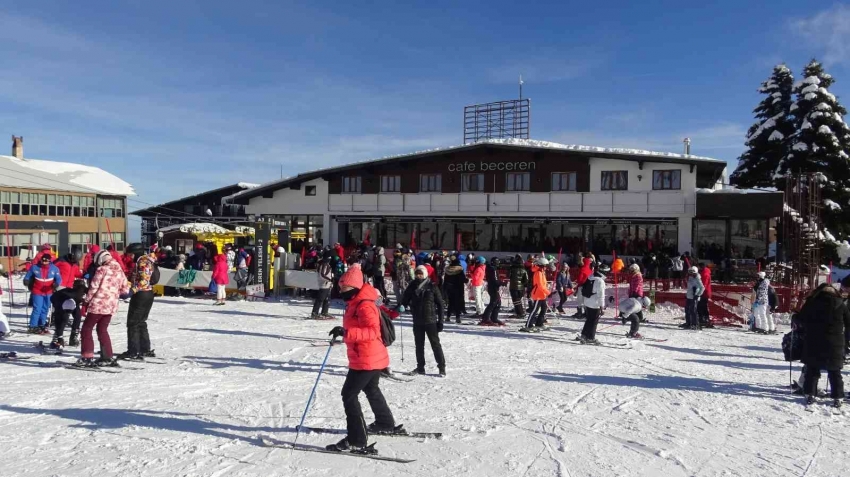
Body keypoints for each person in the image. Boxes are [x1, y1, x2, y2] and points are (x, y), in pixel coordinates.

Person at [325, 268, 400, 453]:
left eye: (345, 288)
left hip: (367, 358)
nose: (341, 291)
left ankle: (356, 439)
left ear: (355, 287)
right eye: (341, 287)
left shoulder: (364, 305)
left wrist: (347, 333)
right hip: (368, 356)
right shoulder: (355, 302)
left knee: (349, 394)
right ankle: (385, 422)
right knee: (371, 388)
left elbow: (373, 331)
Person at [796, 277, 850, 408]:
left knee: (812, 369)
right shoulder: (840, 303)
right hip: (835, 342)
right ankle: (838, 397)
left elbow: (801, 319)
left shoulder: (811, 302)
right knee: (834, 371)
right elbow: (849, 322)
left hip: (813, 340)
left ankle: (810, 394)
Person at [74, 251, 130, 367]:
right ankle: (107, 356)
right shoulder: (119, 270)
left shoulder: (102, 270)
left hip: (98, 304)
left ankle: (87, 357)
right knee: (102, 329)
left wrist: (86, 301)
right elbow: (125, 290)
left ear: (100, 259)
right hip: (111, 306)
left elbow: (93, 288)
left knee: (86, 329)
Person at [402, 265, 446, 375]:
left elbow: (440, 304)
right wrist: (401, 306)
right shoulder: (412, 286)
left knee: (435, 345)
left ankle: (441, 367)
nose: (418, 276)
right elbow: (404, 300)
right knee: (419, 345)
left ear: (425, 274)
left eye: (421, 273)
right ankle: (420, 368)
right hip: (417, 321)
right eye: (417, 273)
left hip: (430, 321)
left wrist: (440, 321)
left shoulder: (432, 286)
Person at [119, 243, 156, 361]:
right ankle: (144, 349)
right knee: (141, 322)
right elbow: (136, 277)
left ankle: (133, 351)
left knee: (133, 323)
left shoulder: (143, 262)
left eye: (130, 254)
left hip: (142, 295)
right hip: (147, 294)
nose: (129, 257)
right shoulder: (144, 261)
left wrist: (132, 290)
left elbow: (145, 280)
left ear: (135, 253)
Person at [23, 254, 62, 334]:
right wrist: (26, 280)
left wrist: (56, 284)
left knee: (45, 309)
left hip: (48, 292)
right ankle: (33, 326)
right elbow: (28, 275)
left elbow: (59, 279)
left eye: (46, 260)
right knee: (37, 309)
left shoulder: (54, 269)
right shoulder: (34, 267)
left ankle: (42, 324)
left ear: (49, 261)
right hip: (37, 291)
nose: (44, 262)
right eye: (43, 260)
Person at [48, 280, 88, 348]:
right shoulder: (58, 299)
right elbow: (58, 321)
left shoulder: (78, 293)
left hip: (72, 302)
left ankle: (73, 335)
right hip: (61, 303)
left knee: (77, 316)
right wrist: (60, 336)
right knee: (62, 320)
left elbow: (87, 290)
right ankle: (57, 337)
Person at [578, 264, 608, 344]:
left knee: (589, 319)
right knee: (594, 321)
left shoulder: (591, 276)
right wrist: (602, 306)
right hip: (595, 303)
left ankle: (584, 334)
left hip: (587, 301)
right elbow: (601, 295)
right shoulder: (600, 281)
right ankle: (590, 337)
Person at [520, 257, 550, 332]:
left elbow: (544, 284)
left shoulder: (542, 272)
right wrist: (548, 292)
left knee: (544, 309)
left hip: (542, 294)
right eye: (545, 265)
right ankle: (528, 325)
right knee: (534, 310)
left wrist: (547, 291)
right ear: (542, 265)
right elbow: (540, 285)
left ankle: (539, 323)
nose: (546, 267)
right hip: (538, 295)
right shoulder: (538, 273)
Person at [480, 258, 505, 326]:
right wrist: (502, 283)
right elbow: (495, 280)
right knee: (493, 303)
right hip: (493, 288)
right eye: (497, 262)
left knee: (498, 303)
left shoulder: (491, 268)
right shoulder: (493, 269)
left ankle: (494, 318)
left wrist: (500, 282)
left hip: (492, 287)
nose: (498, 264)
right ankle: (485, 319)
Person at [442, 258, 467, 323]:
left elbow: (445, 280)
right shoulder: (460, 270)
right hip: (458, 288)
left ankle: (448, 317)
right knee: (457, 303)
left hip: (449, 288)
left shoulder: (447, 270)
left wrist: (444, 289)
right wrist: (467, 280)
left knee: (450, 303)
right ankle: (457, 318)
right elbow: (463, 279)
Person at [698, 263, 713, 328]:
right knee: (703, 306)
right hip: (705, 292)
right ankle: (704, 319)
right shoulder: (704, 272)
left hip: (704, 293)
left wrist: (699, 292)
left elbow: (703, 285)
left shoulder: (704, 274)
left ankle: (703, 319)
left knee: (701, 306)